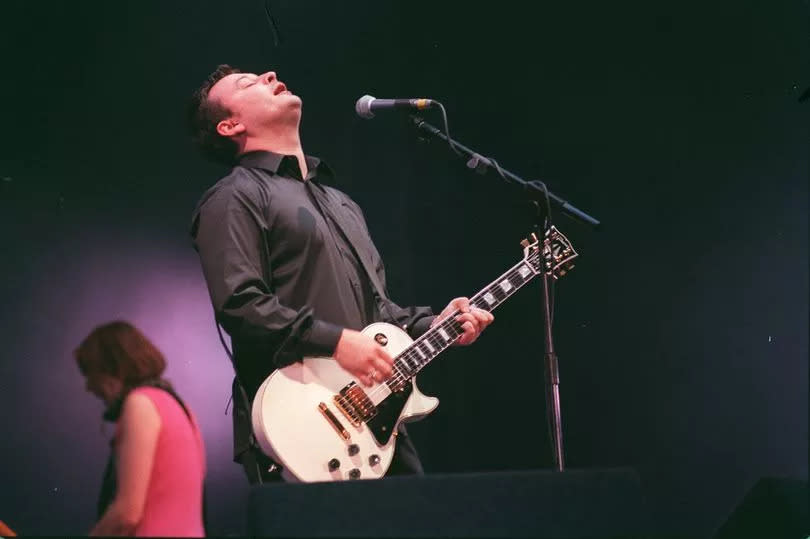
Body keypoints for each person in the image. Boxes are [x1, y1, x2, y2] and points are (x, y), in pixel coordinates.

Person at [187, 64, 494, 484]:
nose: (270, 75)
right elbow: (241, 304)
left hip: (374, 427)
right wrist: (337, 343)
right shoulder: (233, 196)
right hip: (299, 431)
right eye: (249, 82)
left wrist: (435, 323)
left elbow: (378, 313)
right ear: (230, 125)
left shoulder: (342, 203)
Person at [74, 321, 206, 537]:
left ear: (112, 366)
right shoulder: (181, 407)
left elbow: (126, 515)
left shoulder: (139, 404)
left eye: (90, 373)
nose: (89, 387)